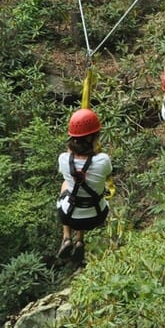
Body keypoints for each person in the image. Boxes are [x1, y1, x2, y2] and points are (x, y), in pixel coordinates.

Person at [55, 108, 111, 265]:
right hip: (97, 216)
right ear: (94, 137)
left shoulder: (63, 159)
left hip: (69, 217)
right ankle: (80, 240)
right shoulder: (103, 160)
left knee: (67, 186)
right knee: (85, 193)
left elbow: (71, 159)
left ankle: (66, 237)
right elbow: (107, 172)